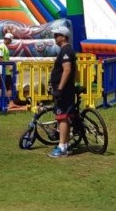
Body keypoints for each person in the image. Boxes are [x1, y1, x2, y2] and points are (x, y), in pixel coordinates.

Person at [48, 26, 77, 158]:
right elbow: (75, 70)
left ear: (63, 36)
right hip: (66, 89)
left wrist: (59, 88)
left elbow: (67, 70)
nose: (55, 38)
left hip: (64, 91)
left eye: (56, 35)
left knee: (62, 117)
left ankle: (62, 147)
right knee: (64, 117)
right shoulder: (67, 50)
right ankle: (65, 144)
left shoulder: (66, 51)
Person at [0, 33, 14, 98]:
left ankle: (11, 103)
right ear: (8, 39)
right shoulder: (2, 47)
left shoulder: (4, 47)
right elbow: (0, 57)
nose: (11, 42)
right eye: (10, 40)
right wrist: (8, 66)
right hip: (0, 71)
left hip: (5, 71)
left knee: (10, 86)